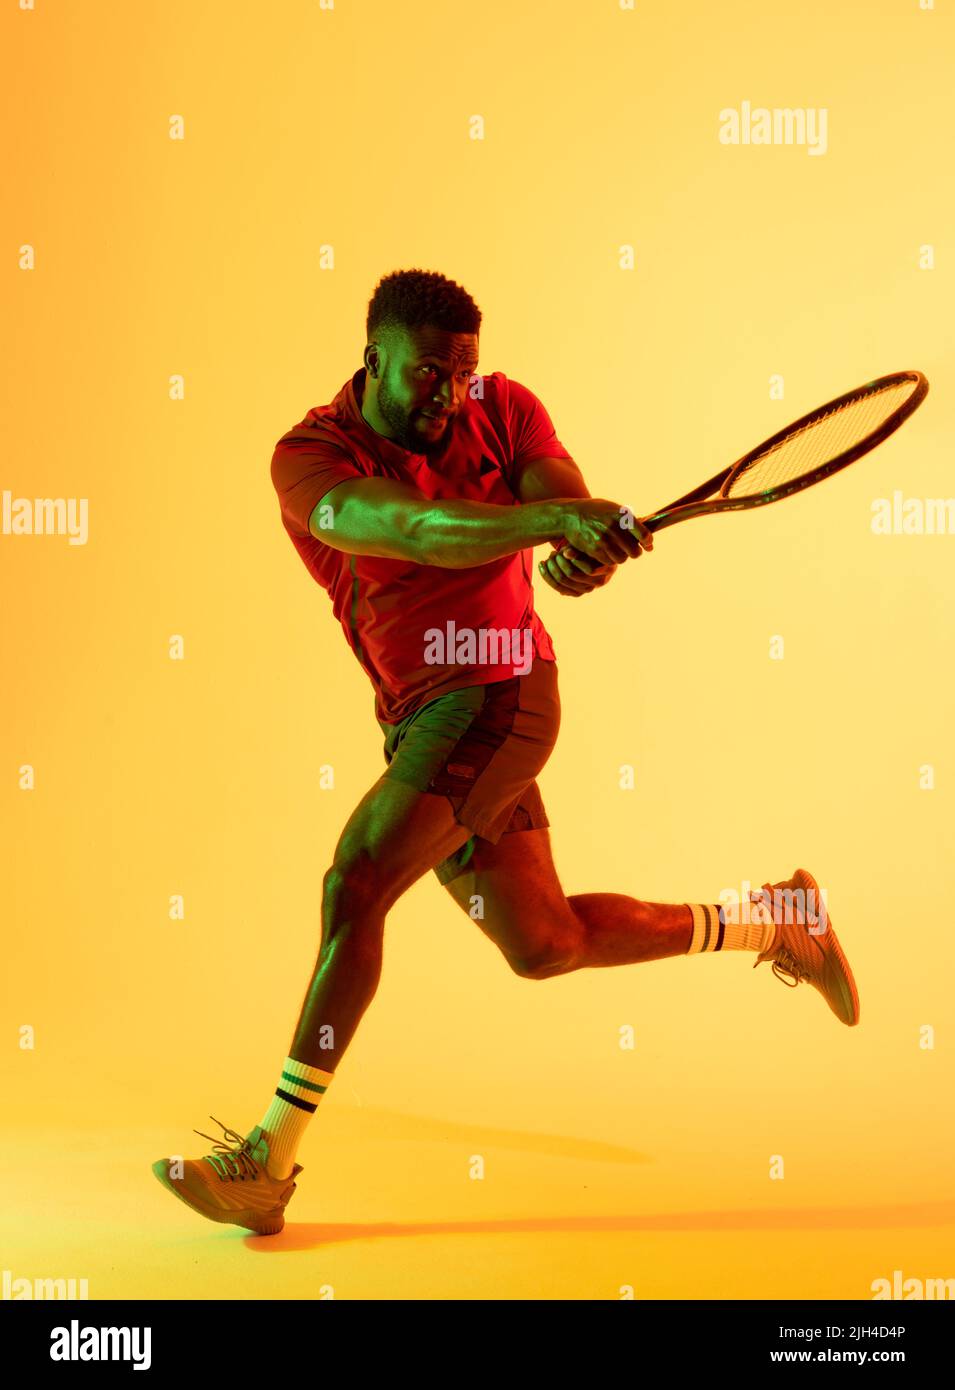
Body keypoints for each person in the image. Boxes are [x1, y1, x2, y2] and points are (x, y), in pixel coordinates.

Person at [151, 268, 859, 1236]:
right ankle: (776, 921)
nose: (449, 393)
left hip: (497, 698)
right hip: (420, 714)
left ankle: (265, 1159)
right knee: (546, 942)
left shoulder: (504, 408)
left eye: (463, 372)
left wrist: (580, 543)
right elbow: (414, 528)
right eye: (428, 374)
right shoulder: (308, 456)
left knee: (355, 881)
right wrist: (552, 525)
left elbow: (563, 496)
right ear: (374, 362)